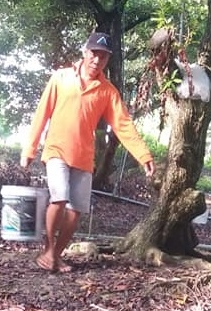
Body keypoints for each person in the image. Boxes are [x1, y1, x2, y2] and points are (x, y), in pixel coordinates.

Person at [20, 32, 156, 273]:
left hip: (84, 157)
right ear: (85, 53)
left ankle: (56, 255)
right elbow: (42, 113)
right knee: (59, 198)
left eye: (103, 57)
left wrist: (143, 155)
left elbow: (123, 124)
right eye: (94, 54)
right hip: (56, 150)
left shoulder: (107, 91)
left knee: (76, 210)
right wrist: (30, 148)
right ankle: (48, 251)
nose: (97, 61)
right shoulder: (61, 78)